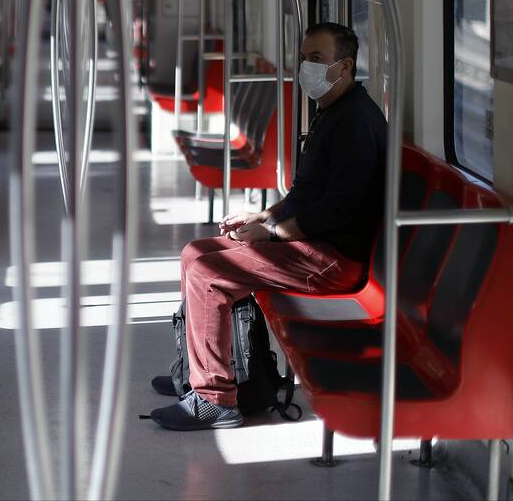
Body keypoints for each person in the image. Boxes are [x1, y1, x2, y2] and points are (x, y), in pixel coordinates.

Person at [150, 22, 387, 431]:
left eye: (318, 59)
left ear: (345, 66)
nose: (307, 67)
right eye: (304, 57)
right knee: (195, 253)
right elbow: (307, 192)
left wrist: (274, 233)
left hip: (332, 258)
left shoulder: (356, 122)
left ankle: (214, 398)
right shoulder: (332, 112)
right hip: (315, 245)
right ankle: (196, 372)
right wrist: (264, 216)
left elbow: (341, 209)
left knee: (209, 274)